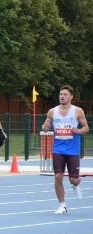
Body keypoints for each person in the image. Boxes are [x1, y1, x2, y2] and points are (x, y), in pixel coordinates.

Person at [41, 85, 89, 214]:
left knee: (73, 179)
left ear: (71, 97)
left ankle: (76, 185)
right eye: (60, 94)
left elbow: (86, 128)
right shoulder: (52, 111)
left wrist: (78, 130)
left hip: (73, 149)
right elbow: (46, 125)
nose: (62, 96)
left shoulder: (78, 111)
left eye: (65, 94)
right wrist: (45, 127)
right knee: (58, 176)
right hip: (58, 149)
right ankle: (62, 205)